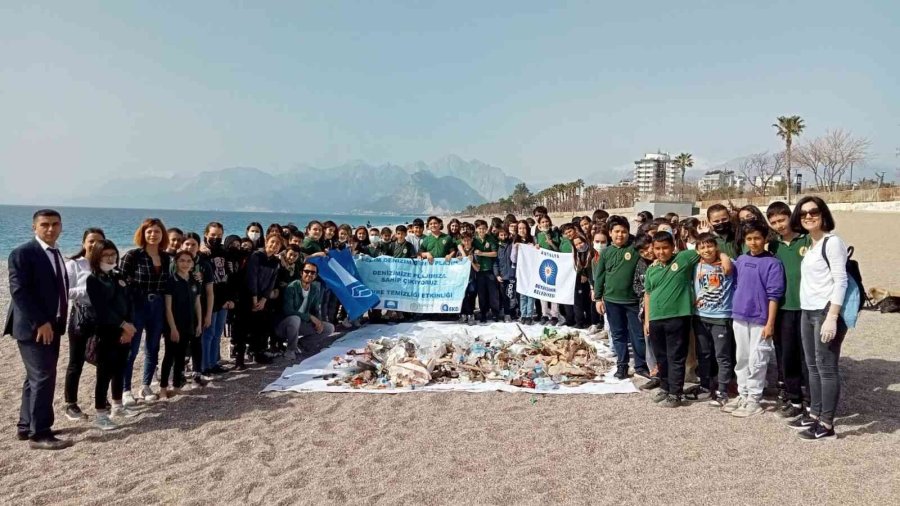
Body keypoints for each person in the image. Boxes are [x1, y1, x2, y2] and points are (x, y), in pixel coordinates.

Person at [5, 209, 74, 449]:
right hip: (35, 327)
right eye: (44, 224)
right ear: (34, 227)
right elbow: (19, 292)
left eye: (55, 224)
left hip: (53, 325)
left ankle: (27, 426)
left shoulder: (55, 254)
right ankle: (40, 434)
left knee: (34, 378)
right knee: (44, 377)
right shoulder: (23, 254)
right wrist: (41, 323)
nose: (50, 229)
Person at [643, 232, 730, 407]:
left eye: (665, 248)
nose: (661, 252)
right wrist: (647, 320)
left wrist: (724, 257)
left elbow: (705, 250)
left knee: (676, 356)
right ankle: (666, 387)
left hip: (677, 317)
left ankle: (676, 393)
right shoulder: (651, 269)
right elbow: (648, 294)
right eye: (657, 248)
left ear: (673, 247)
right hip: (655, 318)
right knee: (661, 357)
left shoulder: (683, 259)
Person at [792, 196, 849, 441]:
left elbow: (841, 280)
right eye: (803, 213)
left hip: (826, 312)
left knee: (826, 368)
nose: (808, 216)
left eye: (813, 211)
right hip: (808, 311)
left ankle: (826, 423)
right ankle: (814, 414)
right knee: (812, 366)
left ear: (823, 214)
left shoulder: (832, 242)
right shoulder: (812, 244)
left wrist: (832, 316)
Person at [725, 221, 784, 418]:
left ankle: (754, 399)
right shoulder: (741, 260)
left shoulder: (773, 263)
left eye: (757, 238)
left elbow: (774, 295)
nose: (753, 242)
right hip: (740, 315)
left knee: (757, 359)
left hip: (760, 319)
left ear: (765, 238)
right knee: (741, 358)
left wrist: (770, 323)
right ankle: (743, 394)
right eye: (749, 239)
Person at [85, 239, 139, 430]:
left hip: (126, 331)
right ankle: (101, 414)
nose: (110, 258)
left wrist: (129, 326)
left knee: (120, 369)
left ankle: (117, 405)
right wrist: (123, 325)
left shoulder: (118, 275)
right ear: (97, 256)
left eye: (113, 254)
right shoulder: (93, 279)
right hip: (106, 332)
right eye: (106, 255)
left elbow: (129, 301)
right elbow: (102, 308)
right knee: (104, 373)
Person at [766, 201, 812, 418]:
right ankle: (794, 399)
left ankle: (812, 399)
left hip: (808, 306)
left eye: (781, 220)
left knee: (808, 355)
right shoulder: (773, 245)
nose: (778, 225)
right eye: (773, 222)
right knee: (787, 354)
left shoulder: (808, 239)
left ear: (790, 217)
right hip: (784, 307)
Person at [120, 218, 171, 404]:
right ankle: (125, 389)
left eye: (157, 231)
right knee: (131, 350)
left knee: (153, 347)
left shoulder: (166, 258)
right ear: (143, 233)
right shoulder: (133, 256)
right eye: (149, 231)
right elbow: (120, 285)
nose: (153, 235)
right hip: (137, 306)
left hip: (158, 306)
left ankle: (145, 385)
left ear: (162, 234)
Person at [594, 216, 649, 380]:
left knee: (638, 335)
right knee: (618, 335)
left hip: (632, 301)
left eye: (624, 231)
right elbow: (600, 276)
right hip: (611, 301)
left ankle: (640, 366)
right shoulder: (606, 253)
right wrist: (598, 298)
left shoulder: (634, 249)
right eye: (616, 231)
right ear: (610, 233)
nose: (620, 235)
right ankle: (622, 366)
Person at [62, 227, 106, 421]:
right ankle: (71, 404)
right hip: (81, 316)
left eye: (99, 241)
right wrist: (87, 289)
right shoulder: (74, 265)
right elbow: (64, 291)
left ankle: (102, 400)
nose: (95, 244)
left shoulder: (106, 263)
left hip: (103, 317)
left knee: (103, 360)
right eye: (91, 241)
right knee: (76, 361)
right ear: (84, 243)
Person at [692, 233, 736, 407]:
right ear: (697, 250)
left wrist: (724, 257)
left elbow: (729, 267)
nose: (706, 250)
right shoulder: (695, 266)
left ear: (716, 247)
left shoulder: (728, 263)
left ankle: (723, 389)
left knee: (722, 356)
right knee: (703, 354)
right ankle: (704, 386)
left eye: (710, 246)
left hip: (721, 317)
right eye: (702, 247)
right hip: (700, 316)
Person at [235, 232, 283, 368]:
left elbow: (271, 282)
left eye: (278, 244)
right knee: (243, 329)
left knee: (259, 328)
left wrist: (263, 300)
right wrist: (254, 298)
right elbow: (252, 276)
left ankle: (257, 353)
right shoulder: (256, 256)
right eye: (272, 242)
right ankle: (239, 360)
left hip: (262, 299)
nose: (274, 245)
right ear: (266, 242)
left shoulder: (275, 261)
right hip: (248, 297)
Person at [160, 251, 202, 398]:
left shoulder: (194, 280)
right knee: (169, 356)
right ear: (176, 262)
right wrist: (172, 328)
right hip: (173, 325)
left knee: (181, 357)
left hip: (189, 324)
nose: (185, 263)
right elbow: (167, 307)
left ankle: (177, 386)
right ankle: (163, 389)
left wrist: (199, 323)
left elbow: (197, 303)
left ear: (192, 263)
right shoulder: (171, 281)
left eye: (188, 261)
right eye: (182, 260)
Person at [276, 261, 335, 359]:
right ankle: (290, 350)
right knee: (295, 319)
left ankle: (302, 344)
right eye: (307, 271)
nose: (309, 274)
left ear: (316, 276)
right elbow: (288, 311)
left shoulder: (315, 289)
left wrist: (319, 322)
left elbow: (316, 310)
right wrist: (310, 317)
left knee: (329, 328)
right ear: (301, 273)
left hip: (301, 323)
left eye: (313, 273)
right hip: (284, 325)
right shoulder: (292, 287)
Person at [179, 233, 213, 386]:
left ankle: (196, 373)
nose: (190, 247)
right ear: (181, 245)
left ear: (198, 246)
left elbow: (210, 292)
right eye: (187, 244)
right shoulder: (176, 262)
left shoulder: (204, 264)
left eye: (193, 244)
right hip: (178, 310)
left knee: (196, 341)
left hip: (199, 308)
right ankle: (179, 372)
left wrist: (208, 314)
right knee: (180, 343)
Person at [200, 222, 234, 375]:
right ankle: (204, 365)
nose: (216, 238)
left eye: (219, 236)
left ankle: (214, 363)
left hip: (223, 297)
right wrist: (200, 249)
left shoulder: (224, 252)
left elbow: (229, 275)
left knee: (218, 333)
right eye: (213, 235)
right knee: (208, 333)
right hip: (208, 299)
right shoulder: (203, 253)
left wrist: (229, 298)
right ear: (206, 234)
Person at [631, 234, 658, 390]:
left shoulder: (665, 262)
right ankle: (654, 374)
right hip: (646, 309)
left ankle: (667, 375)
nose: (647, 253)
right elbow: (636, 284)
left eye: (648, 248)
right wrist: (645, 292)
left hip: (664, 309)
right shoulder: (641, 264)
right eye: (642, 251)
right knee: (649, 342)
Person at [535, 215, 562, 325]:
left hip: (554, 265)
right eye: (543, 222)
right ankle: (544, 314)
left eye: (547, 221)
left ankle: (555, 315)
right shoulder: (538, 235)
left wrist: (551, 243)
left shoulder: (555, 234)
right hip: (543, 265)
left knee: (554, 290)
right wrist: (536, 247)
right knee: (543, 291)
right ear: (539, 225)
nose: (545, 223)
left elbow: (558, 250)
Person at [473, 220, 500, 323]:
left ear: (486, 228)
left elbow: (494, 253)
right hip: (479, 271)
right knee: (482, 294)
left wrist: (482, 253)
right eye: (479, 228)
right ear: (476, 229)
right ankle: (483, 313)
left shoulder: (491, 239)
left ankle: (495, 313)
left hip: (490, 270)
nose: (481, 230)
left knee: (493, 294)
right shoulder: (474, 240)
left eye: (483, 228)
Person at [515, 220, 537, 325]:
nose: (522, 230)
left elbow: (537, 254)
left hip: (531, 270)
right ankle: (523, 314)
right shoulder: (515, 241)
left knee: (531, 294)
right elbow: (512, 258)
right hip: (521, 271)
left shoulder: (532, 239)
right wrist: (515, 249)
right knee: (522, 294)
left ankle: (529, 315)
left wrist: (535, 247)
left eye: (524, 228)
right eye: (520, 228)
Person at [571, 234, 595, 329]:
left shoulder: (592, 252)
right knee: (578, 301)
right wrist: (581, 274)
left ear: (585, 241)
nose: (579, 246)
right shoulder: (576, 254)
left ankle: (591, 321)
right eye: (576, 245)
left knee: (589, 301)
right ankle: (579, 322)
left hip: (591, 280)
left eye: (580, 243)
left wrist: (585, 274)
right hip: (579, 280)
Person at [494, 227, 517, 322]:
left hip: (512, 275)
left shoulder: (512, 245)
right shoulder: (498, 247)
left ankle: (513, 313)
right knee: (504, 296)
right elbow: (495, 263)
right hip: (502, 276)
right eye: (501, 235)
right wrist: (497, 275)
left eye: (505, 235)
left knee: (511, 295)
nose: (503, 237)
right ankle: (506, 314)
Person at [457, 232, 479, 325]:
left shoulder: (475, 251)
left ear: (472, 240)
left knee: (472, 296)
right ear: (462, 241)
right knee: (463, 296)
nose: (467, 242)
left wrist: (471, 262)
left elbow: (477, 269)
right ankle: (464, 314)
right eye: (465, 240)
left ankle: (471, 314)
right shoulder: (459, 252)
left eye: (468, 240)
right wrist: (458, 260)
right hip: (462, 279)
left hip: (472, 278)